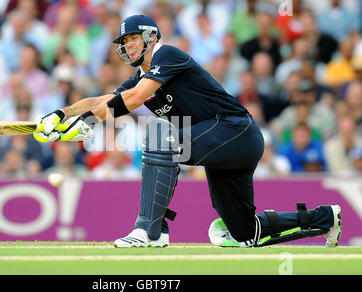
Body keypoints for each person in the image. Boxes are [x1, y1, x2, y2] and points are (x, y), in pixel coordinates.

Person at [33, 15, 341, 248]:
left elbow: (133, 100)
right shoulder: (140, 79)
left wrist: (87, 122)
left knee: (160, 135)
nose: (127, 46)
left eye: (132, 39)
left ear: (151, 37)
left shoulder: (167, 55)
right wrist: (62, 115)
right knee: (244, 234)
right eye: (124, 43)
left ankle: (150, 230)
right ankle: (325, 217)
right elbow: (103, 100)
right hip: (221, 147)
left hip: (237, 131)